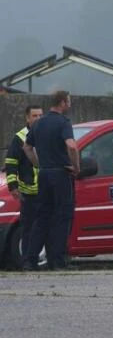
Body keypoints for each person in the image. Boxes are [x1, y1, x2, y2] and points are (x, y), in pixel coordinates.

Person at [23, 91, 79, 270]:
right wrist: (76, 167)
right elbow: (71, 146)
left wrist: (39, 165)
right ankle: (58, 262)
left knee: (42, 218)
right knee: (62, 218)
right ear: (62, 103)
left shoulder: (39, 123)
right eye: (68, 102)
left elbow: (27, 147)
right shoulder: (63, 123)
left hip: (44, 175)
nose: (69, 105)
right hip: (60, 174)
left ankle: (30, 260)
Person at [4, 104, 44, 267]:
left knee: (46, 226)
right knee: (28, 227)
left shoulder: (46, 134)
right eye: (35, 116)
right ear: (27, 118)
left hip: (46, 189)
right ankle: (28, 260)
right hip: (29, 191)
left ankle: (46, 260)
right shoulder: (20, 137)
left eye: (41, 115)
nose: (38, 118)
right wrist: (13, 186)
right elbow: (11, 162)